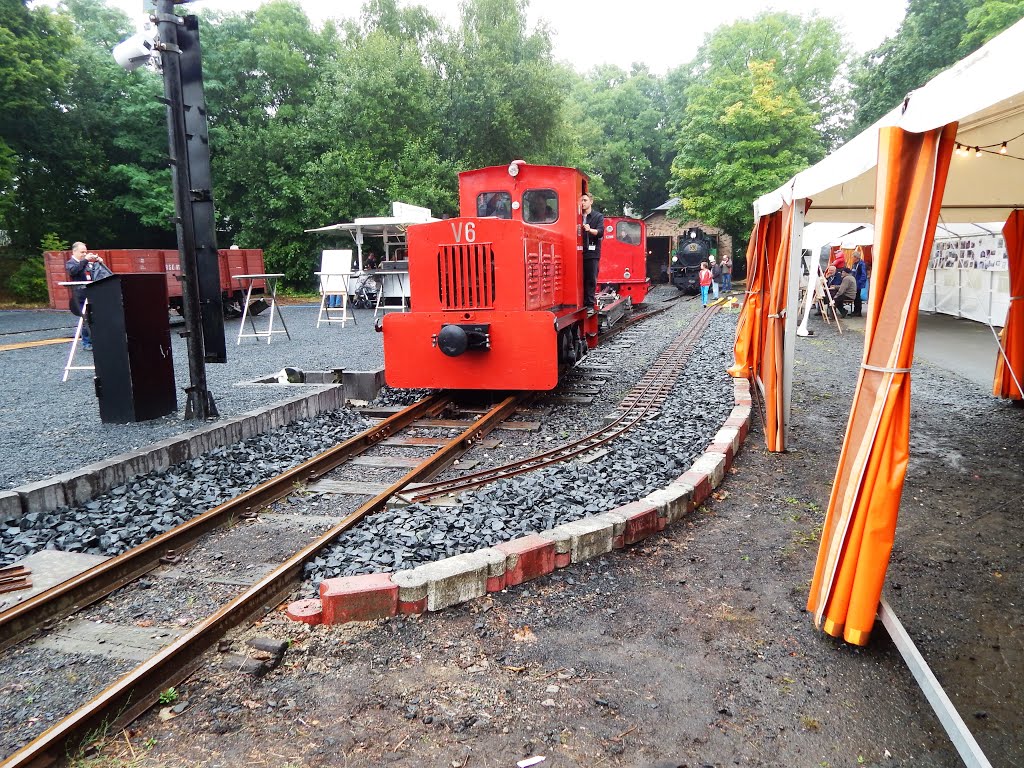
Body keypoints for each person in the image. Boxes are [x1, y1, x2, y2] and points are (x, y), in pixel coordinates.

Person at [65, 241, 106, 351]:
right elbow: (73, 271)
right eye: (82, 252)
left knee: (95, 318)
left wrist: (100, 263)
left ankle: (96, 340)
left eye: (85, 252)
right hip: (80, 295)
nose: (84, 254)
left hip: (92, 293)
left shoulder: (87, 263)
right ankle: (86, 342)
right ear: (74, 252)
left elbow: (99, 274)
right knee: (85, 319)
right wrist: (86, 259)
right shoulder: (71, 263)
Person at [580, 193, 604, 310]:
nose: (582, 203)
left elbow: (600, 232)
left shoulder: (598, 216)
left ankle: (589, 304)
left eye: (585, 200)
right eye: (581, 201)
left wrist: (590, 230)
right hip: (578, 251)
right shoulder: (577, 216)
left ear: (591, 202)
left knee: (590, 278)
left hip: (592, 252)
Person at [850, 249, 868, 317]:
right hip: (854, 282)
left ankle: (858, 312)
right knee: (855, 297)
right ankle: (855, 310)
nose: (852, 258)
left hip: (858, 283)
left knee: (858, 297)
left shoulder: (861, 264)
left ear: (856, 257)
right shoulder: (855, 264)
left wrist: (859, 282)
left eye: (853, 257)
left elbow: (864, 274)